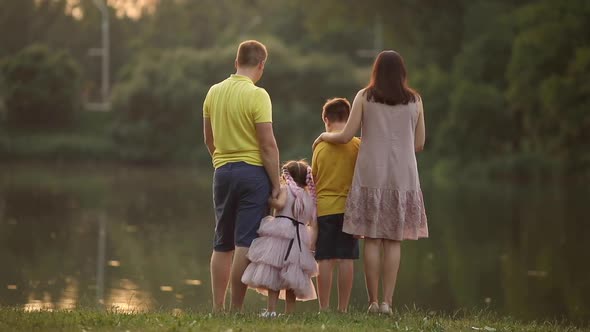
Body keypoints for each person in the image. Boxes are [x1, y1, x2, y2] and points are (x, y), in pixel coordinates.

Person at [313, 50, 428, 315]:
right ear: (402, 72)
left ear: (375, 70)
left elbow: (345, 136)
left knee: (373, 239)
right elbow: (419, 144)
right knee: (393, 241)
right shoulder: (416, 100)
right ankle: (388, 303)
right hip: (402, 177)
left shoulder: (365, 96)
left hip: (370, 175)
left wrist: (323, 135)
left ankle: (373, 302)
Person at [203, 40, 280, 312]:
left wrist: (221, 161)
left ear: (236, 62)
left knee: (222, 241)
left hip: (222, 172)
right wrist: (277, 185)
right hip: (252, 174)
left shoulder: (213, 92)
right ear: (261, 65)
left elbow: (209, 139)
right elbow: (267, 145)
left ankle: (217, 307)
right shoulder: (258, 95)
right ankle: (236, 309)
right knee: (244, 241)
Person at [241, 160, 319, 317]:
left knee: (274, 273)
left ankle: (271, 311)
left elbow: (279, 204)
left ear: (286, 176)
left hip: (281, 235)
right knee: (293, 278)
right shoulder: (310, 197)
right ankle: (289, 313)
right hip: (300, 237)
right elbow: (313, 223)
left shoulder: (286, 189)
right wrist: (311, 245)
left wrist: (268, 199)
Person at [311, 98, 360, 312]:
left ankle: (324, 307)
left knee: (325, 259)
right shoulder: (357, 145)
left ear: (326, 120)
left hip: (325, 209)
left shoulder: (320, 147)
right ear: (349, 118)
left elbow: (314, 178)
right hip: (350, 210)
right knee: (346, 258)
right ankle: (343, 308)